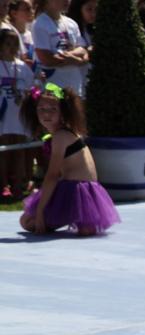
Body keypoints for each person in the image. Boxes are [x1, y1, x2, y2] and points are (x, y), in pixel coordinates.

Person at [19, 83, 120, 235]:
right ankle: (65, 217)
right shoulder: (68, 132)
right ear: (35, 112)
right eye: (42, 109)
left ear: (63, 112)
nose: (46, 114)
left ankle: (64, 216)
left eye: (53, 109)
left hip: (81, 190)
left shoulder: (60, 136)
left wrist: (40, 211)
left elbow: (52, 175)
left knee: (29, 222)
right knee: (26, 221)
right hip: (75, 187)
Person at [0, 27, 33, 200]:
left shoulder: (22, 67)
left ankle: (19, 183)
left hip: (19, 114)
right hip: (3, 115)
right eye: (8, 44)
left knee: (20, 149)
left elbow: (31, 89)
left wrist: (25, 96)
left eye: (15, 44)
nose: (12, 47)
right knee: (4, 149)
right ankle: (4, 184)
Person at [31, 0, 88, 97]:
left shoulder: (71, 23)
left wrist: (71, 57)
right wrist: (75, 59)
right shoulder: (40, 24)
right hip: (53, 87)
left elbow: (84, 52)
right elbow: (46, 59)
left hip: (75, 86)